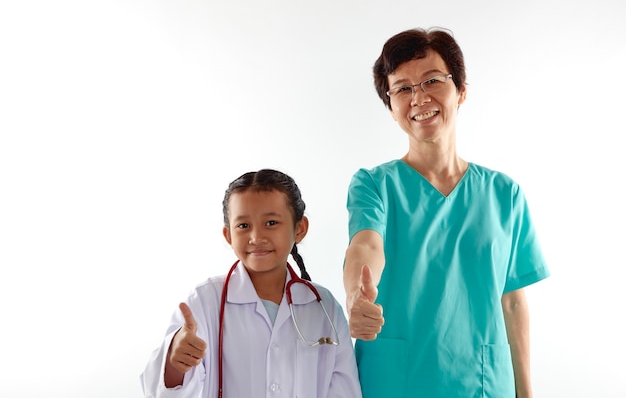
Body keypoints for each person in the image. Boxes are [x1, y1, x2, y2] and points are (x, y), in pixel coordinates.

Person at [343, 27, 550, 398]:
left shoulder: (505, 194)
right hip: (394, 383)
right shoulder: (374, 185)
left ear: (461, 91)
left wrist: (527, 392)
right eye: (402, 88)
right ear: (391, 108)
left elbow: (513, 300)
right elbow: (365, 246)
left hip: (483, 383)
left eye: (431, 81)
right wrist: (357, 296)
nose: (418, 97)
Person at [141, 169, 362, 398]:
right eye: (243, 226)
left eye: (271, 222)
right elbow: (160, 388)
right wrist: (176, 363)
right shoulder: (205, 301)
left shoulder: (324, 307)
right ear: (228, 235)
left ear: (299, 228)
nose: (256, 237)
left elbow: (344, 391)